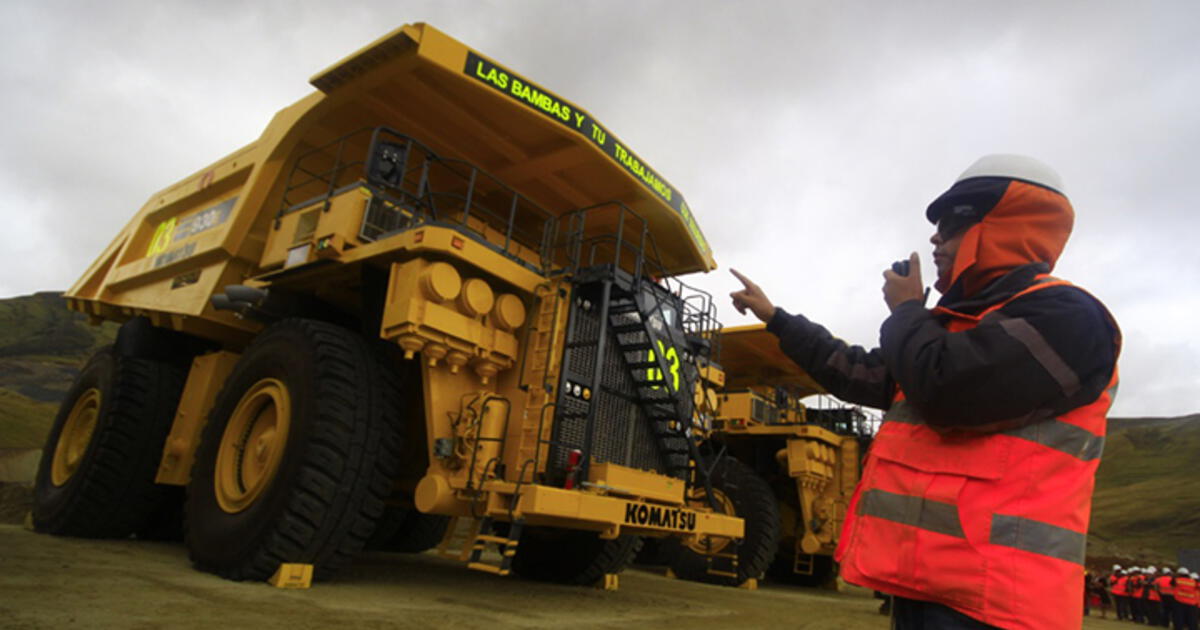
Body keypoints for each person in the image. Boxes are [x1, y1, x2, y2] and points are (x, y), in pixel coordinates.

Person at [730, 154, 1120, 630]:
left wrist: (908, 311)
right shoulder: (954, 331)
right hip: (928, 587)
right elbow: (860, 372)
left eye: (952, 223)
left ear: (1002, 224)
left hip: (998, 605)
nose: (935, 237)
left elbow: (947, 391)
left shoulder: (1068, 317)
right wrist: (776, 318)